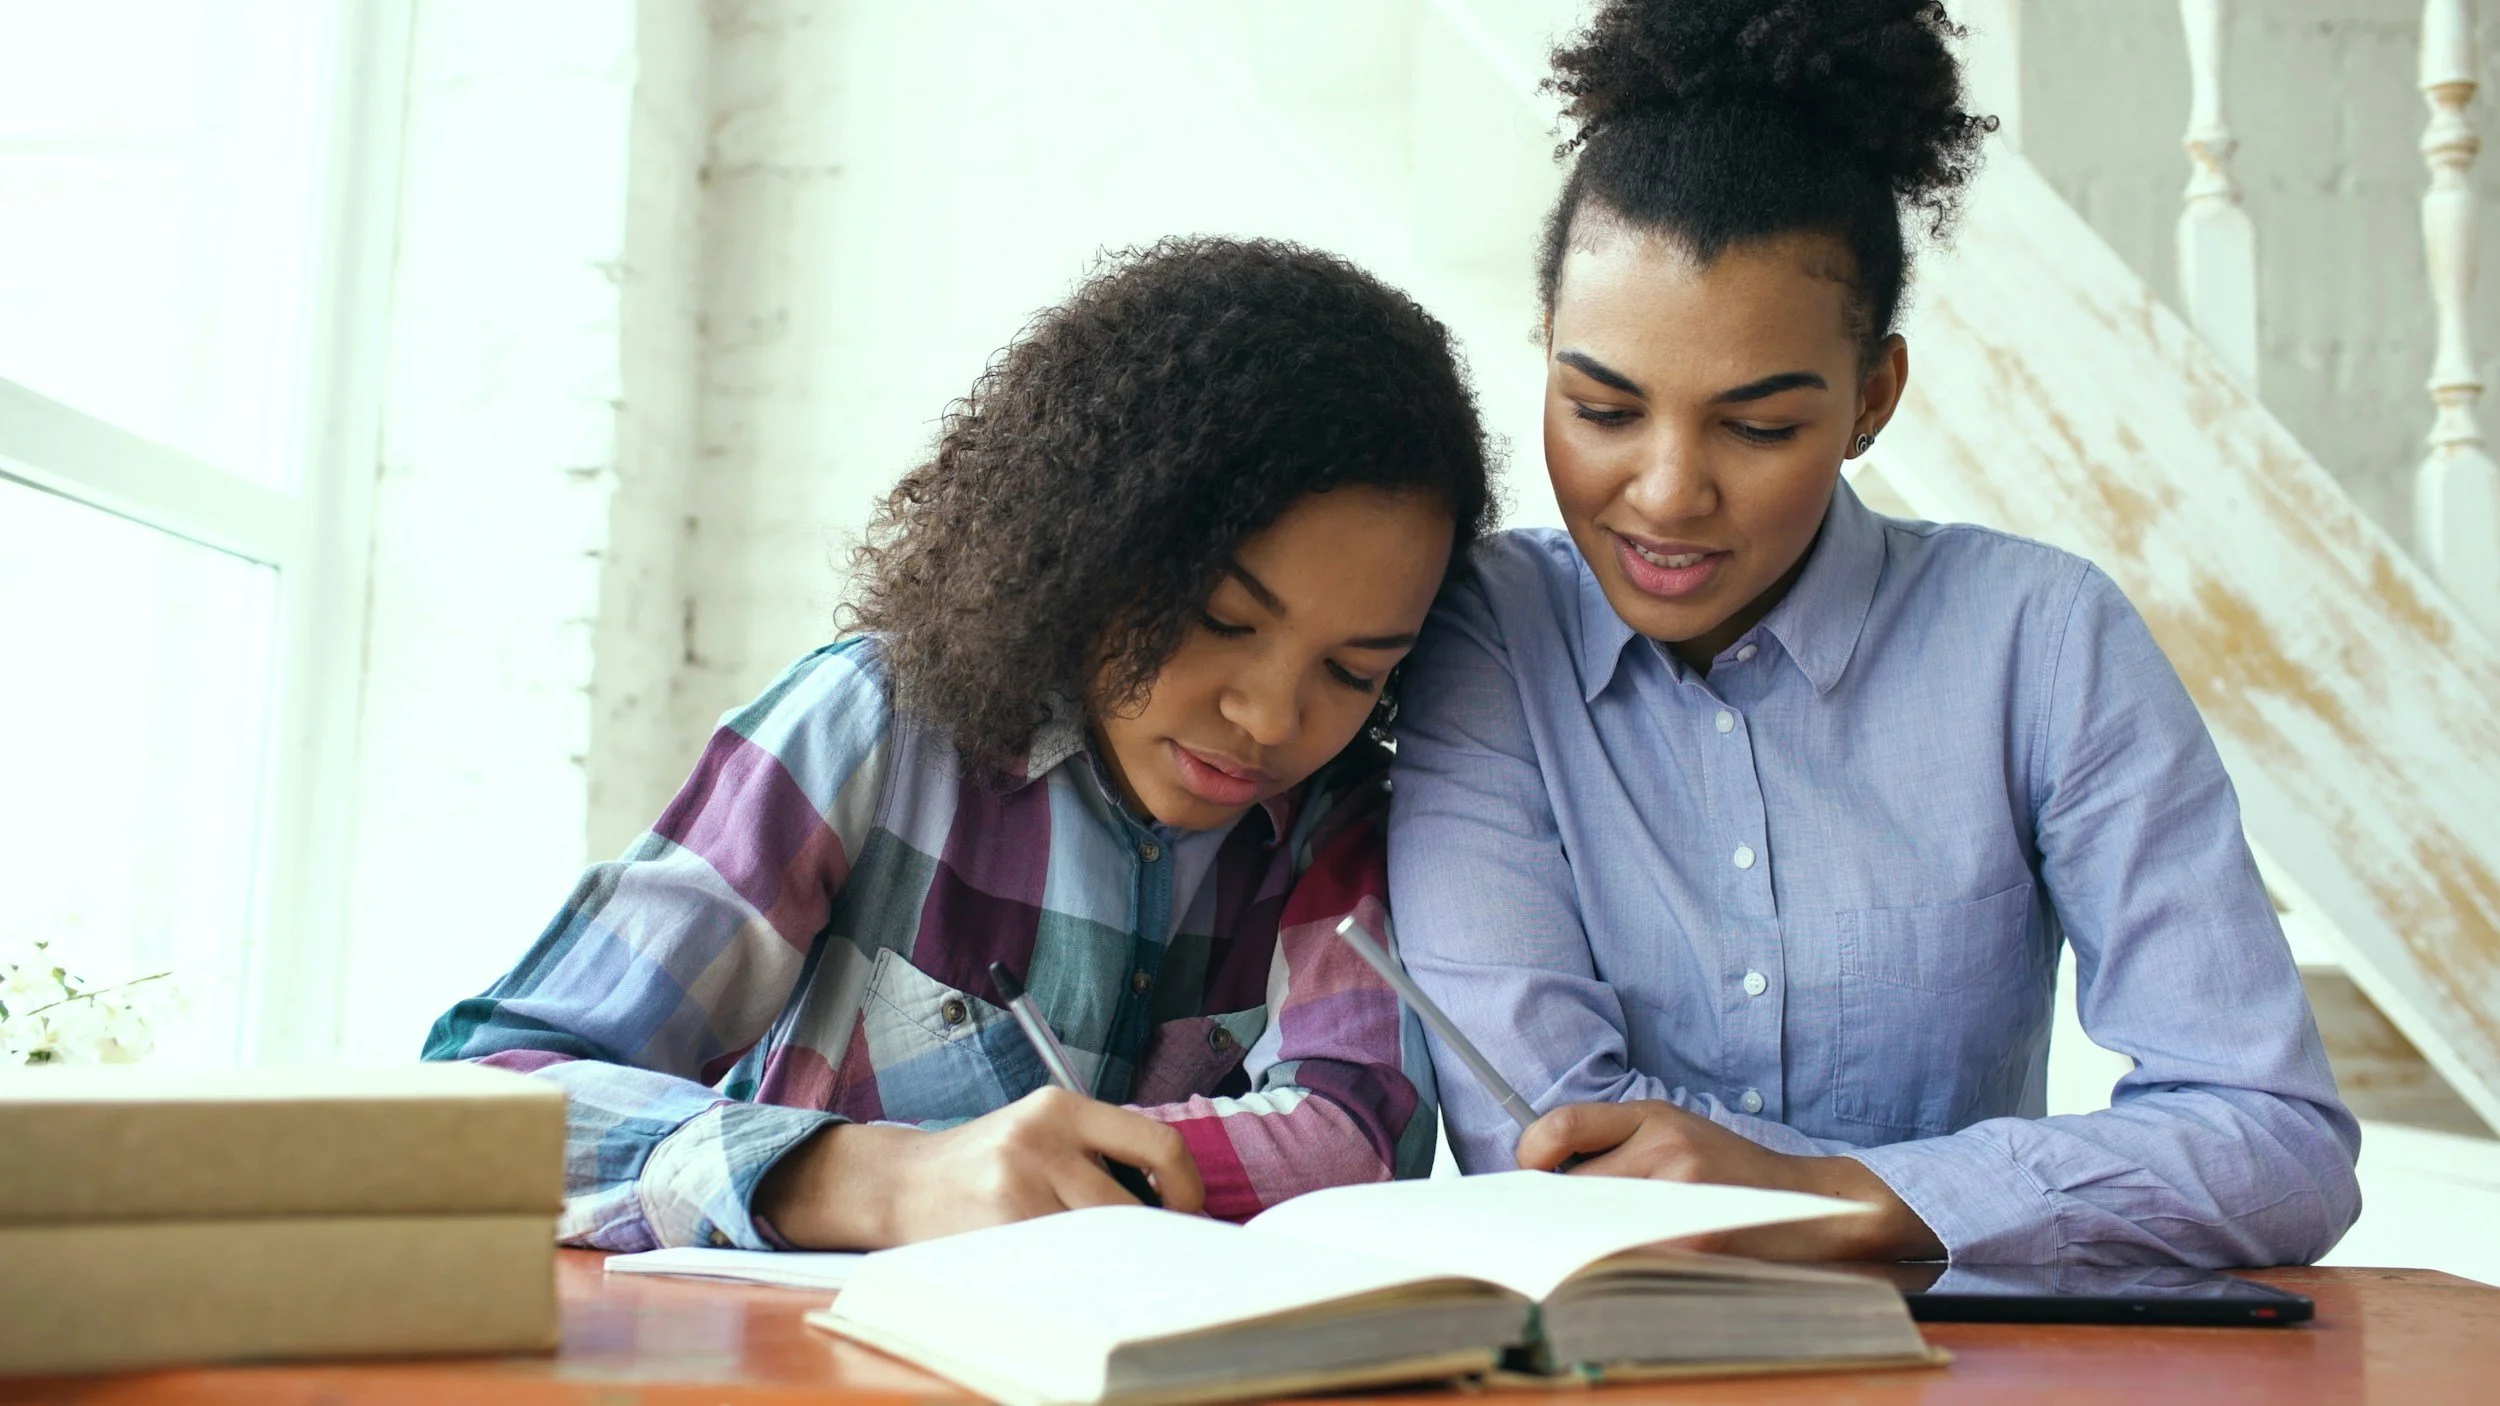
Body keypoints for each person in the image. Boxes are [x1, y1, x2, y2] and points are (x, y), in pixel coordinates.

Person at [1388, 0, 2359, 1266]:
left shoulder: (2041, 641)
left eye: (1758, 426)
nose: (1669, 489)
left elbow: (2274, 1142)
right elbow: (1546, 1132)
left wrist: (1844, 1193)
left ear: (1872, 400)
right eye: (1602, 406)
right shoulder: (1488, 632)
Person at [426, 237, 1492, 1251]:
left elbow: (1357, 1136)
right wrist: (868, 1177)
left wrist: (1074, 1178)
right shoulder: (870, 728)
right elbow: (484, 1093)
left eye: (1354, 671)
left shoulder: (1339, 821)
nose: (1270, 717)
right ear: (1096, 539)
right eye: (1220, 618)